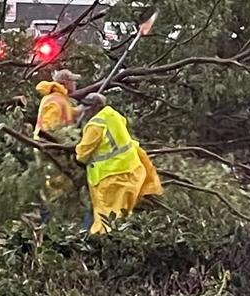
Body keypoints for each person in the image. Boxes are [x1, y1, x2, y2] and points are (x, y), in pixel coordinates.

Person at [75, 93, 162, 234]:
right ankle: (123, 243)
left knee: (107, 219)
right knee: (122, 217)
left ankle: (103, 247)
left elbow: (82, 154)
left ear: (95, 108)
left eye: (86, 107)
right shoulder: (113, 115)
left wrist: (76, 148)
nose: (84, 110)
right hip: (132, 171)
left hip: (111, 178)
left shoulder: (95, 125)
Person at [33, 69, 81, 223]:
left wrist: (80, 111)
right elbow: (50, 125)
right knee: (52, 185)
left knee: (60, 185)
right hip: (50, 148)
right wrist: (58, 141)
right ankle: (50, 221)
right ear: (66, 82)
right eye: (73, 80)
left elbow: (66, 114)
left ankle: (57, 220)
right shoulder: (56, 100)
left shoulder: (60, 99)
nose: (75, 83)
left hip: (55, 148)